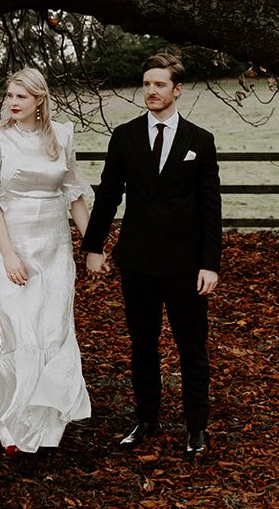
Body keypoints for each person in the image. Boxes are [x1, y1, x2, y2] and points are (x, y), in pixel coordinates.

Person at [82, 52, 222, 457]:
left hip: (184, 265)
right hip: (138, 262)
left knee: (192, 349)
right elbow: (108, 194)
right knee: (142, 346)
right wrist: (93, 246)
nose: (151, 91)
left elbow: (210, 205)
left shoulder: (200, 141)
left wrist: (210, 263)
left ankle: (196, 428)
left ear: (177, 90)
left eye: (159, 84)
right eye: (146, 84)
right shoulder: (124, 136)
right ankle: (146, 420)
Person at [0, 67, 94, 454]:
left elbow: (74, 192)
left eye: (21, 97)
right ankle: (13, 427)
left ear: (39, 100)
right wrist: (8, 253)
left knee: (53, 331)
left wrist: (93, 245)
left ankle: (47, 427)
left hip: (56, 245)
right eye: (9, 95)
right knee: (20, 331)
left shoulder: (62, 135)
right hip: (16, 243)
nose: (12, 103)